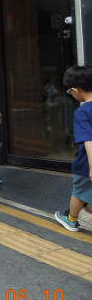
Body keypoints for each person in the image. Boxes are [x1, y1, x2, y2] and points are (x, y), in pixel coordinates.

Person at [55, 66, 92, 232]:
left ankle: (71, 220)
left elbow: (89, 140)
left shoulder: (82, 112)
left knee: (79, 191)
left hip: (86, 164)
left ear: (76, 91)